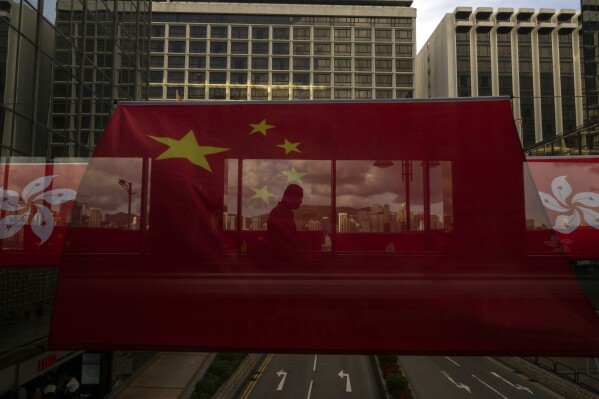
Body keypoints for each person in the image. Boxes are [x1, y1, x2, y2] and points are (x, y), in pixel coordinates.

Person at [267, 184, 303, 262]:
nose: (301, 202)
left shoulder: (278, 212)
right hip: (283, 261)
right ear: (291, 197)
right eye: (299, 198)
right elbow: (287, 243)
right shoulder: (283, 214)